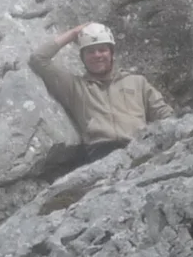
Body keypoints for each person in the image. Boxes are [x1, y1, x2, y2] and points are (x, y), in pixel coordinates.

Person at [28, 22, 172, 171]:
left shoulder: (137, 82)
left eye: (102, 50)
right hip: (100, 154)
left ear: (111, 53)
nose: (97, 55)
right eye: (90, 51)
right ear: (82, 57)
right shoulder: (75, 87)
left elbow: (165, 114)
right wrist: (73, 33)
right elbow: (38, 58)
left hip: (140, 148)